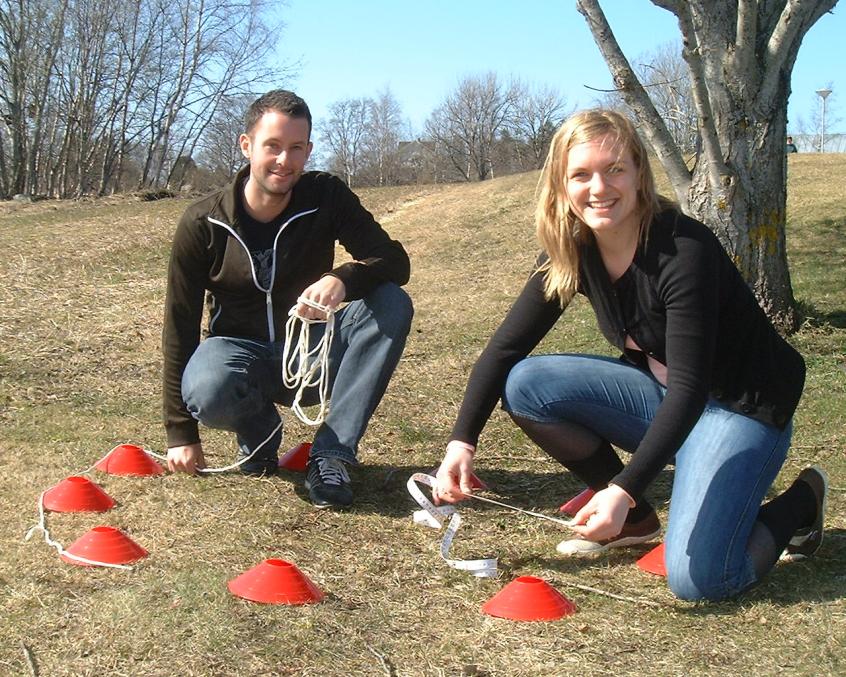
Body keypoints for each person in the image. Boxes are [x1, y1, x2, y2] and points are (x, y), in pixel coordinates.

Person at [433, 109, 827, 601]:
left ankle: (800, 505)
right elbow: (504, 349)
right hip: (668, 398)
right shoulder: (572, 250)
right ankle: (635, 521)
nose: (599, 187)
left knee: (702, 578)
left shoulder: (684, 251)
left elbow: (691, 387)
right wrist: (461, 442)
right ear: (561, 184)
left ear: (639, 173)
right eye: (581, 174)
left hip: (740, 407)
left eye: (614, 169)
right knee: (527, 384)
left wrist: (621, 485)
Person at [163, 89, 413, 508]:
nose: (285, 160)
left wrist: (342, 279)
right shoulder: (203, 221)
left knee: (391, 303)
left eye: (296, 148)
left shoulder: (326, 196)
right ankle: (260, 433)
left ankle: (331, 455)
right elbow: (179, 325)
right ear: (247, 145)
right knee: (207, 386)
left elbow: (393, 261)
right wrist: (181, 433)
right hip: (239, 355)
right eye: (273, 146)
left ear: (309, 149)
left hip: (313, 352)